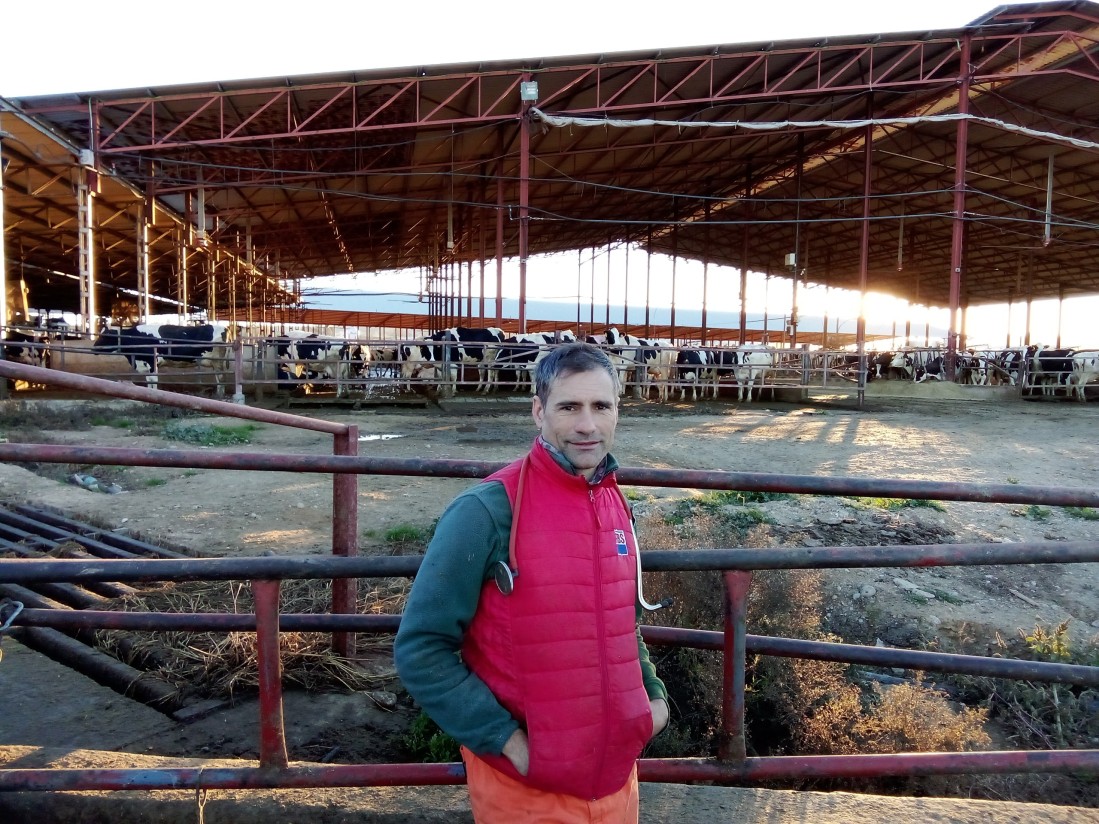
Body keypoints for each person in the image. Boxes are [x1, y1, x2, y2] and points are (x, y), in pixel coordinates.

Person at [395, 341, 669, 823]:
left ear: (617, 411)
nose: (587, 425)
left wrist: (653, 704)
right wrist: (510, 744)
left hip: (617, 784)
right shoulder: (486, 511)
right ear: (539, 411)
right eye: (569, 407)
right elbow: (422, 649)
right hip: (524, 792)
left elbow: (624, 622)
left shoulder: (615, 504)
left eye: (601, 406)